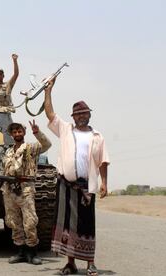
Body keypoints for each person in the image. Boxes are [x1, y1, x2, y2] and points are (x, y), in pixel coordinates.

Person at [43, 77, 110, 276]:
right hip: (65, 185)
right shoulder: (65, 130)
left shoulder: (97, 136)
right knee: (67, 225)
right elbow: (49, 113)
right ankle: (70, 263)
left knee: (87, 224)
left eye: (84, 113)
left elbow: (103, 161)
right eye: (78, 114)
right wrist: (48, 91)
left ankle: (90, 263)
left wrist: (104, 182)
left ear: (89, 115)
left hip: (86, 186)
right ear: (73, 117)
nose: (81, 116)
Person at [2, 120, 51, 265]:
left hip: (25, 188)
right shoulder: (8, 151)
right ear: (11, 134)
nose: (17, 133)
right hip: (10, 189)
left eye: (19, 131)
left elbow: (47, 145)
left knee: (29, 222)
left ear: (24, 132)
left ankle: (32, 252)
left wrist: (37, 132)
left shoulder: (31, 147)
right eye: (14, 132)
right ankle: (21, 252)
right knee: (14, 222)